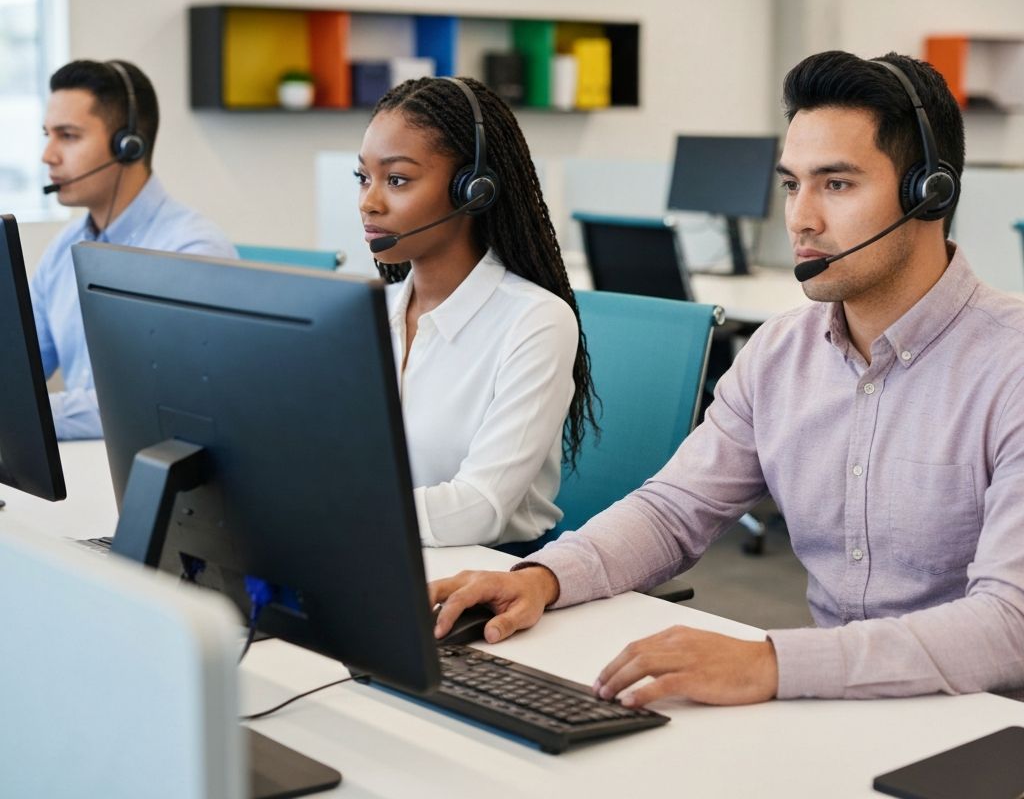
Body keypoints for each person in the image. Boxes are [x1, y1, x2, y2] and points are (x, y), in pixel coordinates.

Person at [431, 50, 1024, 705]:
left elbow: (1009, 625)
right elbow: (674, 510)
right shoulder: (780, 354)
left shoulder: (1009, 366)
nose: (801, 218)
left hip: (984, 725)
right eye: (793, 184)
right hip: (834, 709)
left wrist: (772, 663)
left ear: (929, 193)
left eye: (837, 184)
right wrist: (543, 577)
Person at [357, 75, 596, 548]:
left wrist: (335, 508)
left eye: (397, 179)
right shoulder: (368, 316)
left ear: (474, 189)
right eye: (363, 177)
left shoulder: (534, 322)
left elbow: (479, 509)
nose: (369, 201)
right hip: (379, 554)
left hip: (492, 575)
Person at [32, 59, 236, 440]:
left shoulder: (191, 251)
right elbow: (18, 372)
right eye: (48, 134)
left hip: (155, 474)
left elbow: (157, 402)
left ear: (128, 146)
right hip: (83, 463)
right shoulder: (64, 249)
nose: (48, 155)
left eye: (68, 136)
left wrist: (34, 416)